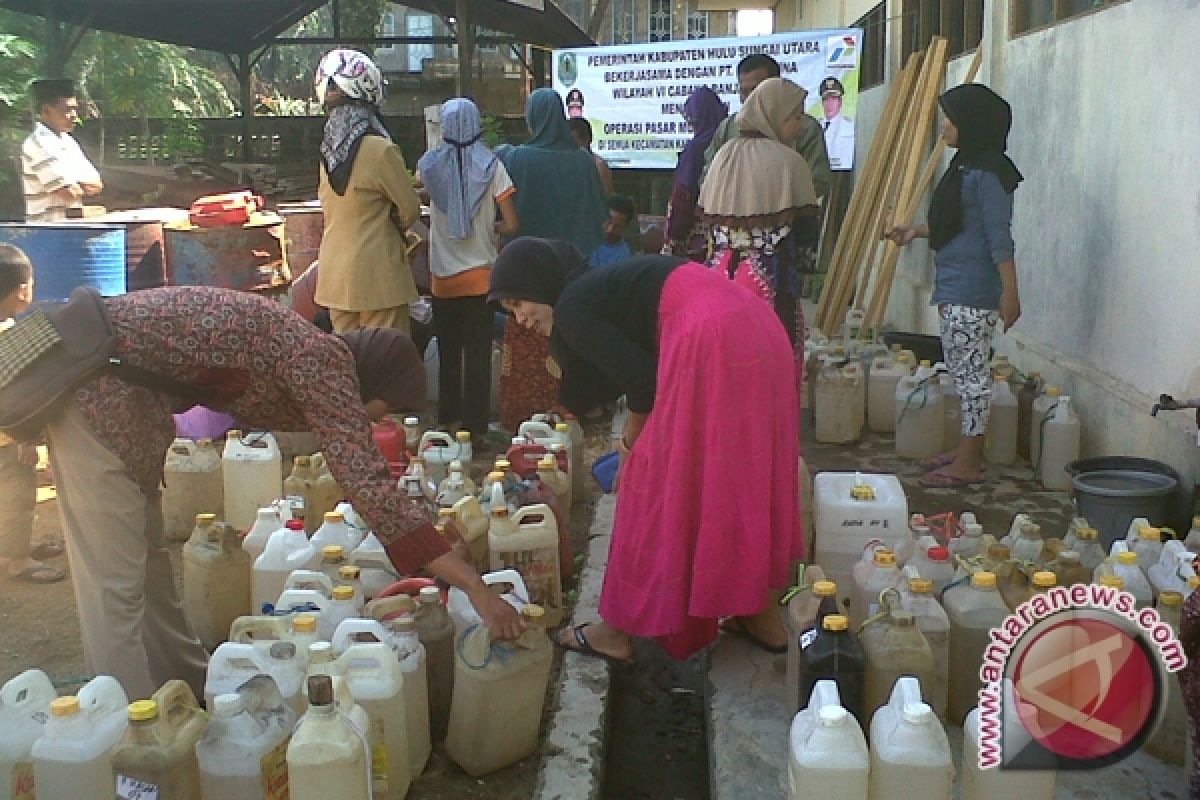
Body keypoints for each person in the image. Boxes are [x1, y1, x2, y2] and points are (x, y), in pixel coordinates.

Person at [31, 287, 521, 700]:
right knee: (113, 585)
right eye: (385, 406)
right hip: (96, 399)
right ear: (372, 377)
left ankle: (195, 688)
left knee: (148, 564)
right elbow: (371, 488)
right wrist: (473, 586)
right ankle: (131, 729)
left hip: (130, 408)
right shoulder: (323, 362)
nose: (378, 419)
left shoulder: (307, 352)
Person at [489, 239, 801, 660]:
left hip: (710, 337)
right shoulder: (601, 287)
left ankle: (616, 631)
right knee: (741, 475)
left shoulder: (573, 306)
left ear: (540, 283)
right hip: (759, 329)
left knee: (649, 483)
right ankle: (758, 612)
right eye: (509, 312)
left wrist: (630, 449)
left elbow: (641, 385)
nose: (520, 319)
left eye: (519, 302)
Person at [886, 84, 1023, 488]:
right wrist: (914, 231)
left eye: (951, 119)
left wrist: (1010, 294)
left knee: (972, 378)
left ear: (973, 125)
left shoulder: (989, 175)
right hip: (954, 286)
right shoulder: (966, 167)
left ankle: (968, 462)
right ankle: (965, 452)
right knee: (963, 373)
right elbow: (959, 225)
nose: (944, 126)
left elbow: (999, 238)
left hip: (973, 291)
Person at [498, 88, 607, 431]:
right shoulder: (583, 161)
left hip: (527, 276)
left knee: (528, 340)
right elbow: (598, 217)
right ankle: (583, 407)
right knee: (574, 340)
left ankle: (528, 412)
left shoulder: (515, 159)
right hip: (573, 274)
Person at [698, 77, 819, 374]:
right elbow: (806, 236)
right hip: (770, 282)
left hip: (720, 277)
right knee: (771, 364)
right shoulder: (790, 162)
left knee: (727, 364)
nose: (800, 127)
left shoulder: (723, 155)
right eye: (796, 117)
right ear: (774, 115)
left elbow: (705, 223)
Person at [417, 98, 519, 448]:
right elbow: (513, 222)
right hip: (481, 275)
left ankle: (447, 422)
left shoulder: (429, 166)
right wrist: (490, 227)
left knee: (448, 352)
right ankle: (475, 430)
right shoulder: (492, 166)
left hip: (442, 277)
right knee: (477, 353)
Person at [313, 49, 421, 334]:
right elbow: (410, 209)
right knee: (386, 361)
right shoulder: (379, 149)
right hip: (378, 275)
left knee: (348, 362)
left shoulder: (327, 154)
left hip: (336, 275)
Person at [0, 245, 64, 584]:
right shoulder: (10, 338)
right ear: (23, 291)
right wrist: (25, 438)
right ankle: (17, 560)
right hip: (8, 438)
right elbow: (15, 397)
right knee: (18, 496)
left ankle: (16, 544)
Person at [702, 54, 830, 202]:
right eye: (744, 92)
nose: (750, 99)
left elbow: (818, 182)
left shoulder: (804, 128)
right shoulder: (728, 127)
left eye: (756, 91)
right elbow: (708, 177)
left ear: (776, 87)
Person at [21, 78, 103, 221]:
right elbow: (69, 192)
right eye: (67, 110)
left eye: (75, 109)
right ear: (47, 110)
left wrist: (71, 182)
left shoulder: (68, 141)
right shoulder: (38, 143)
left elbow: (97, 185)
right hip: (46, 230)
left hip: (71, 226)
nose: (74, 115)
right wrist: (75, 184)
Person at [664, 87, 726, 261]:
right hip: (722, 231)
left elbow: (684, 193)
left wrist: (675, 234)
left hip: (695, 233)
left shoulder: (696, 147)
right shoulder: (728, 142)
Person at [567, 117, 614, 196]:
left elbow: (605, 198)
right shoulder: (562, 164)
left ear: (588, 139)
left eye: (574, 143)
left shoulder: (598, 165)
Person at [818, 76, 855, 170]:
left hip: (842, 174)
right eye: (826, 99)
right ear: (822, 103)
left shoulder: (849, 126)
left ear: (840, 102)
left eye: (833, 99)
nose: (829, 104)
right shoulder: (816, 126)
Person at [589, 195, 635, 268]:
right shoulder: (586, 239)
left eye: (616, 226)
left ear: (625, 227)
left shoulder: (625, 257)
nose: (609, 230)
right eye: (608, 223)